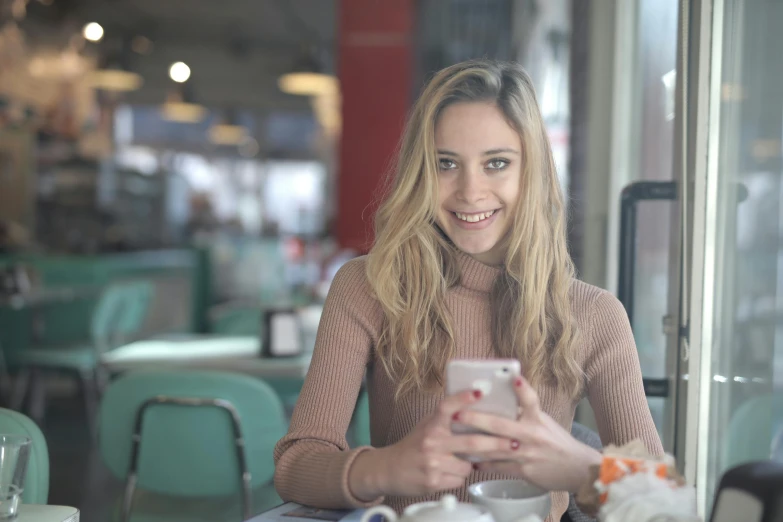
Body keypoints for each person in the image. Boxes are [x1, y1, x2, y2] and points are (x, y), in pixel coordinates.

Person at [273, 59, 663, 521]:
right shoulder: (366, 287)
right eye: (446, 164)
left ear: (530, 171)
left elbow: (663, 504)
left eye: (496, 163)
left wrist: (581, 469)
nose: (470, 192)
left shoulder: (595, 314)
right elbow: (296, 466)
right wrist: (388, 467)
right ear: (421, 171)